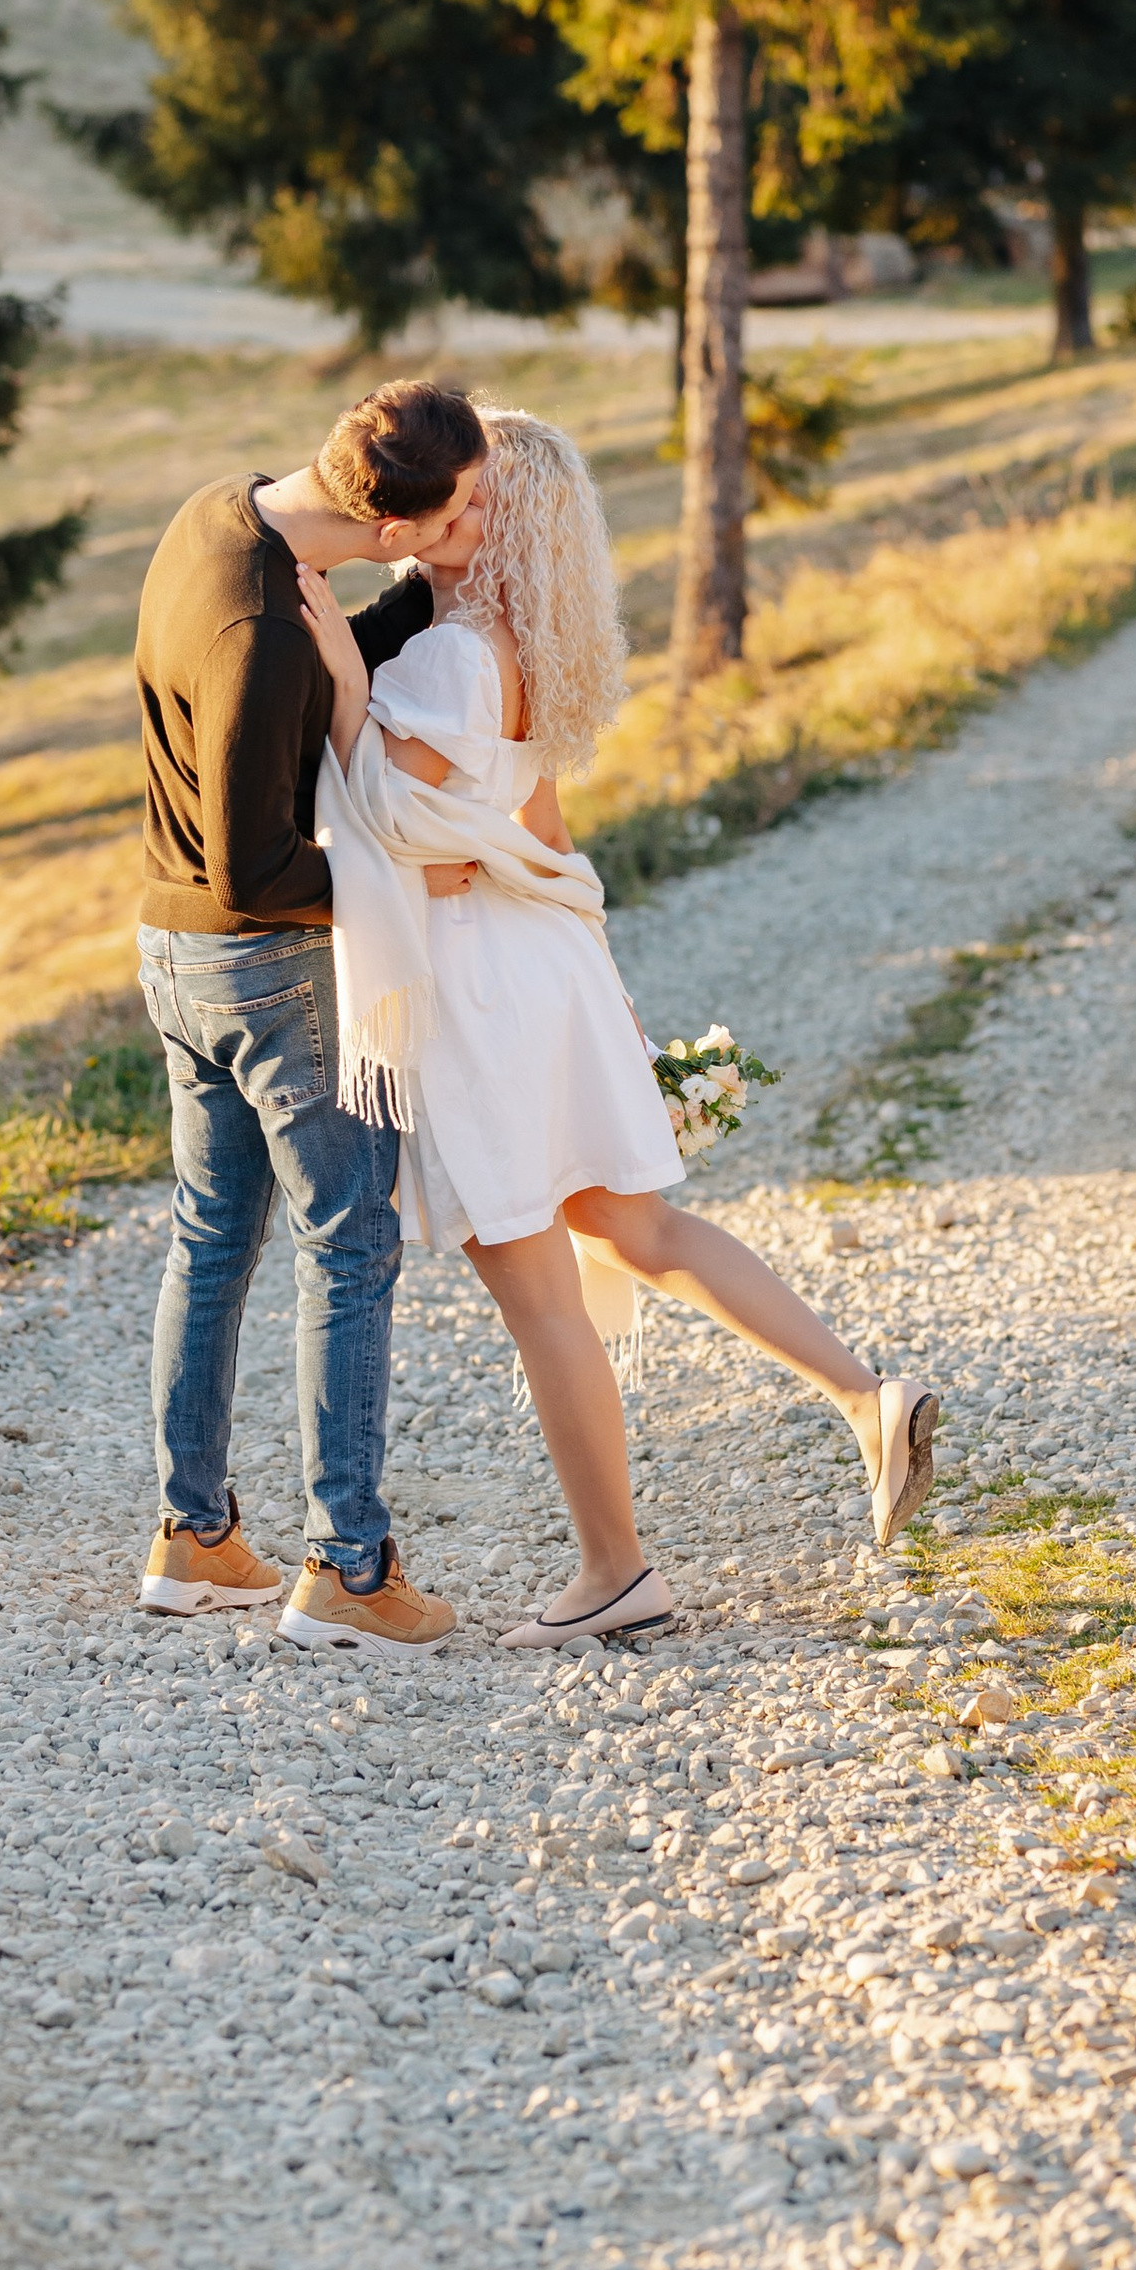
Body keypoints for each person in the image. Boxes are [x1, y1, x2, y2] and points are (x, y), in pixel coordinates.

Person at [298, 405, 938, 1644]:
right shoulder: (524, 652)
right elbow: (541, 837)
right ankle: (865, 1400)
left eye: (472, 496)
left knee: (538, 1287)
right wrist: (608, 990)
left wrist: (336, 681)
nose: (451, 506)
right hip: (548, 960)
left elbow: (388, 841)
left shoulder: (443, 660)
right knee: (638, 1226)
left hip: (481, 983)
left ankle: (618, 1573)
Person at [130, 378, 488, 1655]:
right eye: (457, 516)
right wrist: (410, 879)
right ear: (395, 526)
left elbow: (307, 686)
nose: (468, 527)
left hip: (174, 952)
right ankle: (348, 1567)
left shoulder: (221, 519)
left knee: (212, 1235)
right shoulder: (259, 629)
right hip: (263, 964)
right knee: (350, 1248)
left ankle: (195, 1537)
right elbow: (258, 865)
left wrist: (427, 602)